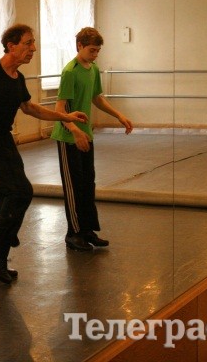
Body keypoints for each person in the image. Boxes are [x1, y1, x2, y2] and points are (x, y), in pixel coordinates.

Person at [0, 24, 87, 284]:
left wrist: (65, 117)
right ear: (11, 46)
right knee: (20, 191)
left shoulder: (18, 77)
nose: (33, 48)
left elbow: (30, 108)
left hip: (4, 140)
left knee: (12, 197)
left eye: (33, 43)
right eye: (28, 43)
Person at [50, 27, 133, 252]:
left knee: (88, 183)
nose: (95, 55)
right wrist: (75, 131)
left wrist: (119, 115)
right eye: (92, 50)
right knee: (73, 185)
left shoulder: (93, 69)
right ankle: (73, 233)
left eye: (97, 51)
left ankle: (87, 230)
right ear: (80, 46)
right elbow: (60, 109)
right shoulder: (70, 72)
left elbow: (97, 98)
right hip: (68, 136)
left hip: (85, 134)